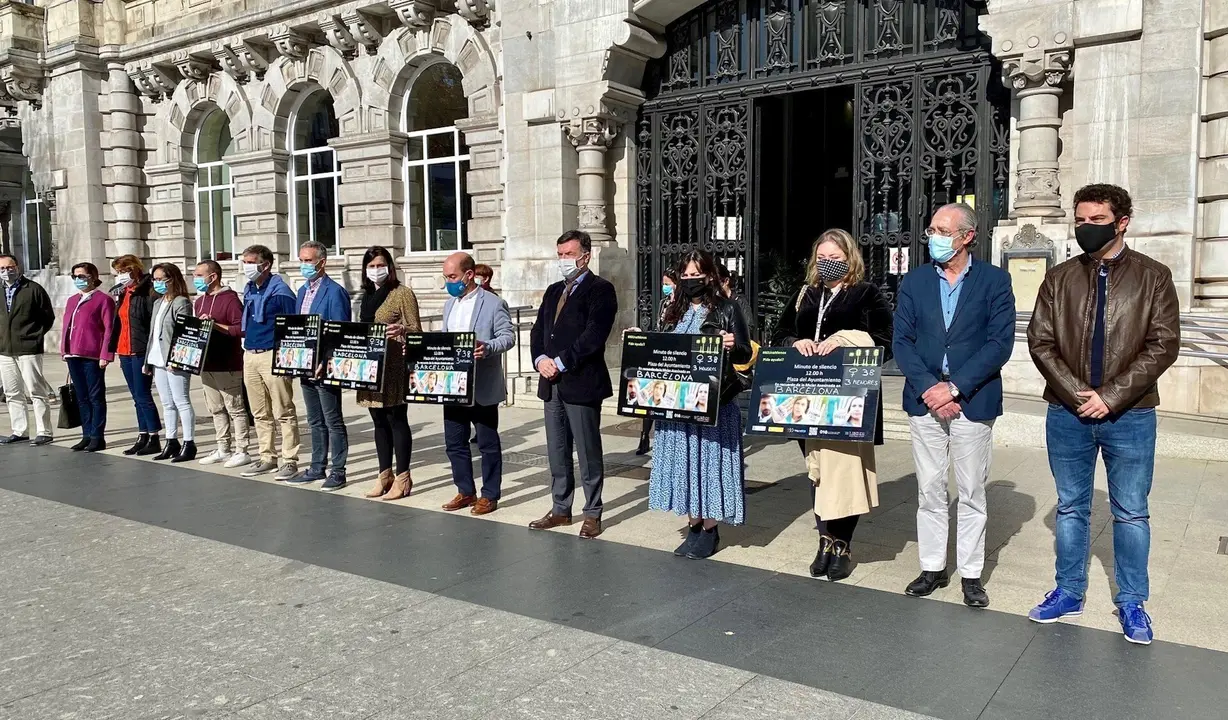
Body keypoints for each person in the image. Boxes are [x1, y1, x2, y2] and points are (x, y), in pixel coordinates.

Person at [1026, 184, 1180, 645]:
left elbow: (1162, 345)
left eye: (1096, 220)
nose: (1085, 228)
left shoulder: (1154, 276)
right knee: (1072, 507)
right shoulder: (1059, 278)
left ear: (1122, 221)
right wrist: (1078, 394)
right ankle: (1068, 592)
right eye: (1080, 220)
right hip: (1067, 412)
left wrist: (1111, 396)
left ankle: (1132, 602)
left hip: (1130, 414)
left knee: (1131, 512)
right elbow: (1041, 342)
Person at [893, 203, 1015, 607]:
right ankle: (932, 567)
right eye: (931, 229)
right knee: (929, 488)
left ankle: (971, 574)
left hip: (972, 401)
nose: (934, 237)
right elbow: (902, 343)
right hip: (924, 399)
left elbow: (999, 344)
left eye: (943, 230)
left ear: (967, 236)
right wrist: (931, 388)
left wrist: (955, 388)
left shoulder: (995, 282)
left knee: (971, 489)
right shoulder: (914, 282)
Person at [772, 228, 894, 580]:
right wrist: (796, 342)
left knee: (845, 473)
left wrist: (845, 339)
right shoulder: (805, 294)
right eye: (822, 259)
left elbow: (887, 340)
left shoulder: (866, 294)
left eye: (835, 259)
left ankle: (842, 543)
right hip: (806, 396)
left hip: (849, 397)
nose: (827, 265)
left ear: (849, 259)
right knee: (819, 472)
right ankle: (824, 540)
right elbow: (779, 334)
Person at [645, 250, 751, 558]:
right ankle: (692, 525)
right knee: (685, 466)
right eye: (686, 276)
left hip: (713, 406)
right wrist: (640, 340)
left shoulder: (728, 309)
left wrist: (732, 344)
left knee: (709, 465)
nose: (691, 281)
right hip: (677, 406)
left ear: (710, 276)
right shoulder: (671, 311)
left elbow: (745, 352)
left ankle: (710, 529)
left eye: (697, 275)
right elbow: (660, 348)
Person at [528, 229, 617, 539]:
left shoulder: (600, 290)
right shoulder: (553, 291)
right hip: (550, 383)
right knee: (557, 450)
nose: (564, 260)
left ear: (585, 256)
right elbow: (538, 331)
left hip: (580, 381)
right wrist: (540, 360)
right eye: (560, 254)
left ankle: (593, 512)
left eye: (569, 254)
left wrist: (562, 362)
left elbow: (593, 336)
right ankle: (560, 508)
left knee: (588, 450)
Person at [439, 252, 516, 515]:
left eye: (452, 277)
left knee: (487, 443)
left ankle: (490, 494)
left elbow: (508, 337)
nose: (449, 282)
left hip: (482, 384)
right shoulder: (449, 304)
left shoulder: (494, 303)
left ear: (469, 275)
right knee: (454, 442)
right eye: (446, 277)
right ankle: (465, 490)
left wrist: (488, 347)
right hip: (453, 385)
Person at [286, 241, 352, 490]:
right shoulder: (302, 292)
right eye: (301, 260)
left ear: (321, 262)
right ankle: (316, 466)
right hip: (304, 364)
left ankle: (338, 470)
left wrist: (326, 360)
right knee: (314, 420)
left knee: (332, 419)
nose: (304, 265)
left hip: (325, 366)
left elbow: (340, 331)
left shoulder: (334, 292)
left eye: (308, 261)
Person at [357, 246, 421, 501]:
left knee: (396, 419)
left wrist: (402, 330)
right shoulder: (367, 295)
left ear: (390, 267)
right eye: (371, 266)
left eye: (380, 265)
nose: (376, 270)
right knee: (378, 420)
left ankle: (403, 476)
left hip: (393, 365)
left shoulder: (401, 293)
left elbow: (416, 328)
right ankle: (385, 473)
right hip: (370, 366)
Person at [238, 245, 301, 481]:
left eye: (251, 262)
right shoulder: (249, 289)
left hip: (273, 354)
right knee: (259, 412)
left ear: (266, 265)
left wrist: (289, 357)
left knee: (283, 410)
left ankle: (290, 460)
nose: (246, 266)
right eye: (244, 261)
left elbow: (294, 327)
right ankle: (266, 456)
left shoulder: (281, 292)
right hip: (251, 353)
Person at [193, 260, 251, 468]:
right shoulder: (199, 302)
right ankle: (223, 448)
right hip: (207, 362)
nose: (196, 279)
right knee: (216, 409)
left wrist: (215, 325)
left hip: (228, 362)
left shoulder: (230, 300)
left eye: (200, 275)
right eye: (195, 275)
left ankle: (242, 449)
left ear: (213, 276)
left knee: (235, 408)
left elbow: (241, 328)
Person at [109, 254, 163, 457]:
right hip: (124, 350)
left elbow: (152, 324)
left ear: (135, 269)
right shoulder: (123, 293)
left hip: (140, 350)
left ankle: (154, 436)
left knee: (143, 394)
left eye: (124, 271)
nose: (121, 275)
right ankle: (142, 435)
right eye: (119, 272)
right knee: (135, 396)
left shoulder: (148, 292)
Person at [0, 254, 56, 446]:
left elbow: (47, 317)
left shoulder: (33, 289)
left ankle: (44, 431)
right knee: (12, 392)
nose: (6, 272)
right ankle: (20, 430)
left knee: (35, 389)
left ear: (18, 266)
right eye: (2, 269)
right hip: (5, 349)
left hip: (28, 348)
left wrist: (35, 335)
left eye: (10, 267)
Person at [143, 263, 196, 463]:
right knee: (167, 403)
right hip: (157, 358)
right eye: (154, 279)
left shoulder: (181, 302)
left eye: (160, 279)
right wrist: (148, 360)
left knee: (181, 400)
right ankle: (171, 439)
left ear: (172, 279)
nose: (156, 283)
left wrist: (177, 358)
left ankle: (189, 442)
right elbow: (153, 334)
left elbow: (184, 334)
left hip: (174, 360)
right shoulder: (158, 302)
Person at [61, 263, 116, 452]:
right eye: (75, 276)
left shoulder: (103, 300)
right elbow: (66, 326)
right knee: (81, 397)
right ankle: (86, 434)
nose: (79, 279)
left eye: (82, 276)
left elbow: (109, 328)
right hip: (73, 354)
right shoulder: (72, 300)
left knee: (95, 397)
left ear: (93, 276)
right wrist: (64, 350)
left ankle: (97, 436)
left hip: (92, 356)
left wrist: (105, 355)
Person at [636, 269, 679, 455]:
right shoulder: (663, 303)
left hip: (674, 354)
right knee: (650, 397)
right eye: (664, 283)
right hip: (658, 353)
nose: (665, 287)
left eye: (668, 283)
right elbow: (657, 326)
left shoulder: (682, 304)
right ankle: (644, 436)